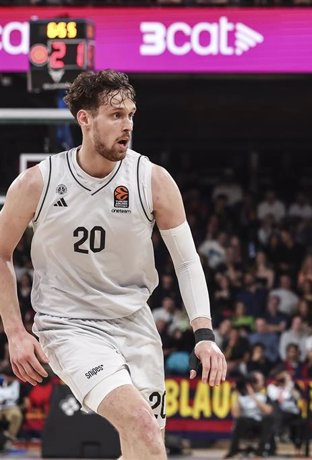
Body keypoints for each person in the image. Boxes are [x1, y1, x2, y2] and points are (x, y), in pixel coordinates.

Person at [0, 70, 226, 460]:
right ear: (85, 119)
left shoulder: (152, 180)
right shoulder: (39, 182)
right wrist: (16, 333)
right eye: (116, 115)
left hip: (134, 323)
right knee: (139, 423)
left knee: (149, 449)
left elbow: (187, 260)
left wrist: (203, 333)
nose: (128, 126)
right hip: (68, 324)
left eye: (131, 115)